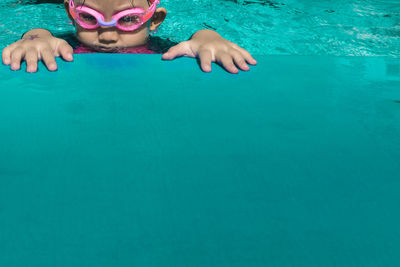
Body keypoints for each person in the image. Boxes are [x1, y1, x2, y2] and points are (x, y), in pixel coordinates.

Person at [1, 0, 257, 73]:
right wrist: (35, 38)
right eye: (89, 17)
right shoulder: (67, 41)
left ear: (154, 20)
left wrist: (208, 37)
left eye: (128, 19)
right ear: (72, 16)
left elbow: (196, 40)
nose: (108, 36)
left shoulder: (161, 47)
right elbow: (40, 35)